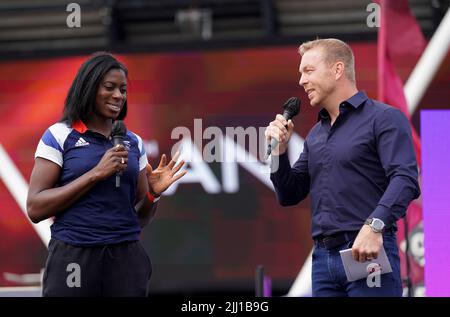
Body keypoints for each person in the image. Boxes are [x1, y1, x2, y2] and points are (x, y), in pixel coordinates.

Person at [265, 39, 420, 297]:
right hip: (323, 260)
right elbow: (288, 194)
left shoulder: (383, 118)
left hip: (366, 252)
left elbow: (405, 179)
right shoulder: (316, 134)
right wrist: (278, 153)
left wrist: (374, 225)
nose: (301, 81)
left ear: (337, 70)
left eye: (309, 71)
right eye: (300, 73)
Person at [26, 52, 186, 297]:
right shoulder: (59, 135)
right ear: (88, 88)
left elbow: (139, 218)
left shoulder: (133, 142)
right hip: (74, 256)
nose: (118, 96)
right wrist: (96, 174)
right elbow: (36, 208)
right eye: (110, 87)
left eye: (123, 90)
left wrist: (153, 194)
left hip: (125, 258)